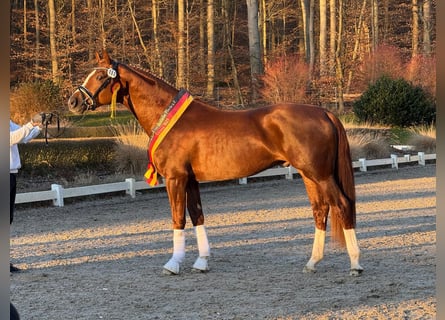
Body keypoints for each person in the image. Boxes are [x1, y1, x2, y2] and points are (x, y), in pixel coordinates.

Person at [10, 115, 42, 272]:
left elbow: (24, 137)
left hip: (11, 174)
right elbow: (11, 138)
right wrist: (30, 123)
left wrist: (39, 127)